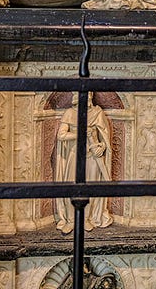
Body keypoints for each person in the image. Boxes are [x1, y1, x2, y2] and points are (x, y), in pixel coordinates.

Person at [55, 92, 113, 234]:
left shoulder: (97, 113)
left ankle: (87, 218)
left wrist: (102, 147)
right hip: (74, 155)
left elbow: (104, 138)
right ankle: (70, 220)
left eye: (88, 95)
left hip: (93, 157)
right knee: (71, 186)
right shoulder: (69, 113)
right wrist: (79, 134)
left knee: (90, 187)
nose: (86, 98)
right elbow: (61, 135)